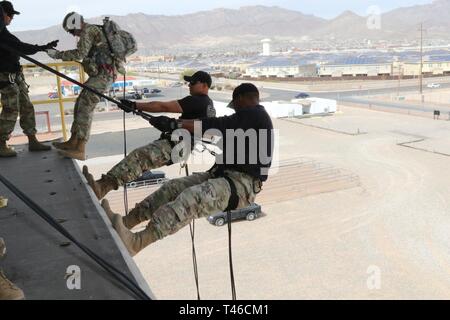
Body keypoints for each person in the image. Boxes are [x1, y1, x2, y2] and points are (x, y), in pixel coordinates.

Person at [101, 83, 274, 256]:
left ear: (242, 98)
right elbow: (215, 131)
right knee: (172, 188)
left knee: (190, 199)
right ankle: (125, 223)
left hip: (241, 185)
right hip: (222, 175)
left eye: (235, 105)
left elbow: (218, 124)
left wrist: (176, 125)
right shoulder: (249, 121)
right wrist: (177, 126)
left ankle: (137, 242)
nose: (235, 109)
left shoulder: (255, 114)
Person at [82, 71, 216, 199]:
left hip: (177, 145)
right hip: (180, 146)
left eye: (193, 82)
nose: (189, 85)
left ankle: (102, 187)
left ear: (204, 85)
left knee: (138, 158)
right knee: (139, 160)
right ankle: (101, 185)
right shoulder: (209, 104)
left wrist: (135, 105)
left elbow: (164, 107)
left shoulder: (198, 100)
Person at [46, 12, 119, 160]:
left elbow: (80, 53)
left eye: (72, 31)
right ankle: (73, 141)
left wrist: (58, 55)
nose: (73, 35)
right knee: (80, 103)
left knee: (85, 106)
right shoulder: (92, 30)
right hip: (101, 74)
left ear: (76, 24)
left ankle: (80, 148)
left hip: (104, 75)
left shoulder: (88, 30)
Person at [0, 1, 58, 157]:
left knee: (26, 106)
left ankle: (32, 139)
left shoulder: (4, 33)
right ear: (3, 14)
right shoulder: (1, 34)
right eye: (10, 15)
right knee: (11, 109)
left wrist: (41, 47)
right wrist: (41, 47)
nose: (11, 18)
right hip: (5, 77)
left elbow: (20, 47)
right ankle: (1, 143)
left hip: (16, 76)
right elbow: (22, 47)